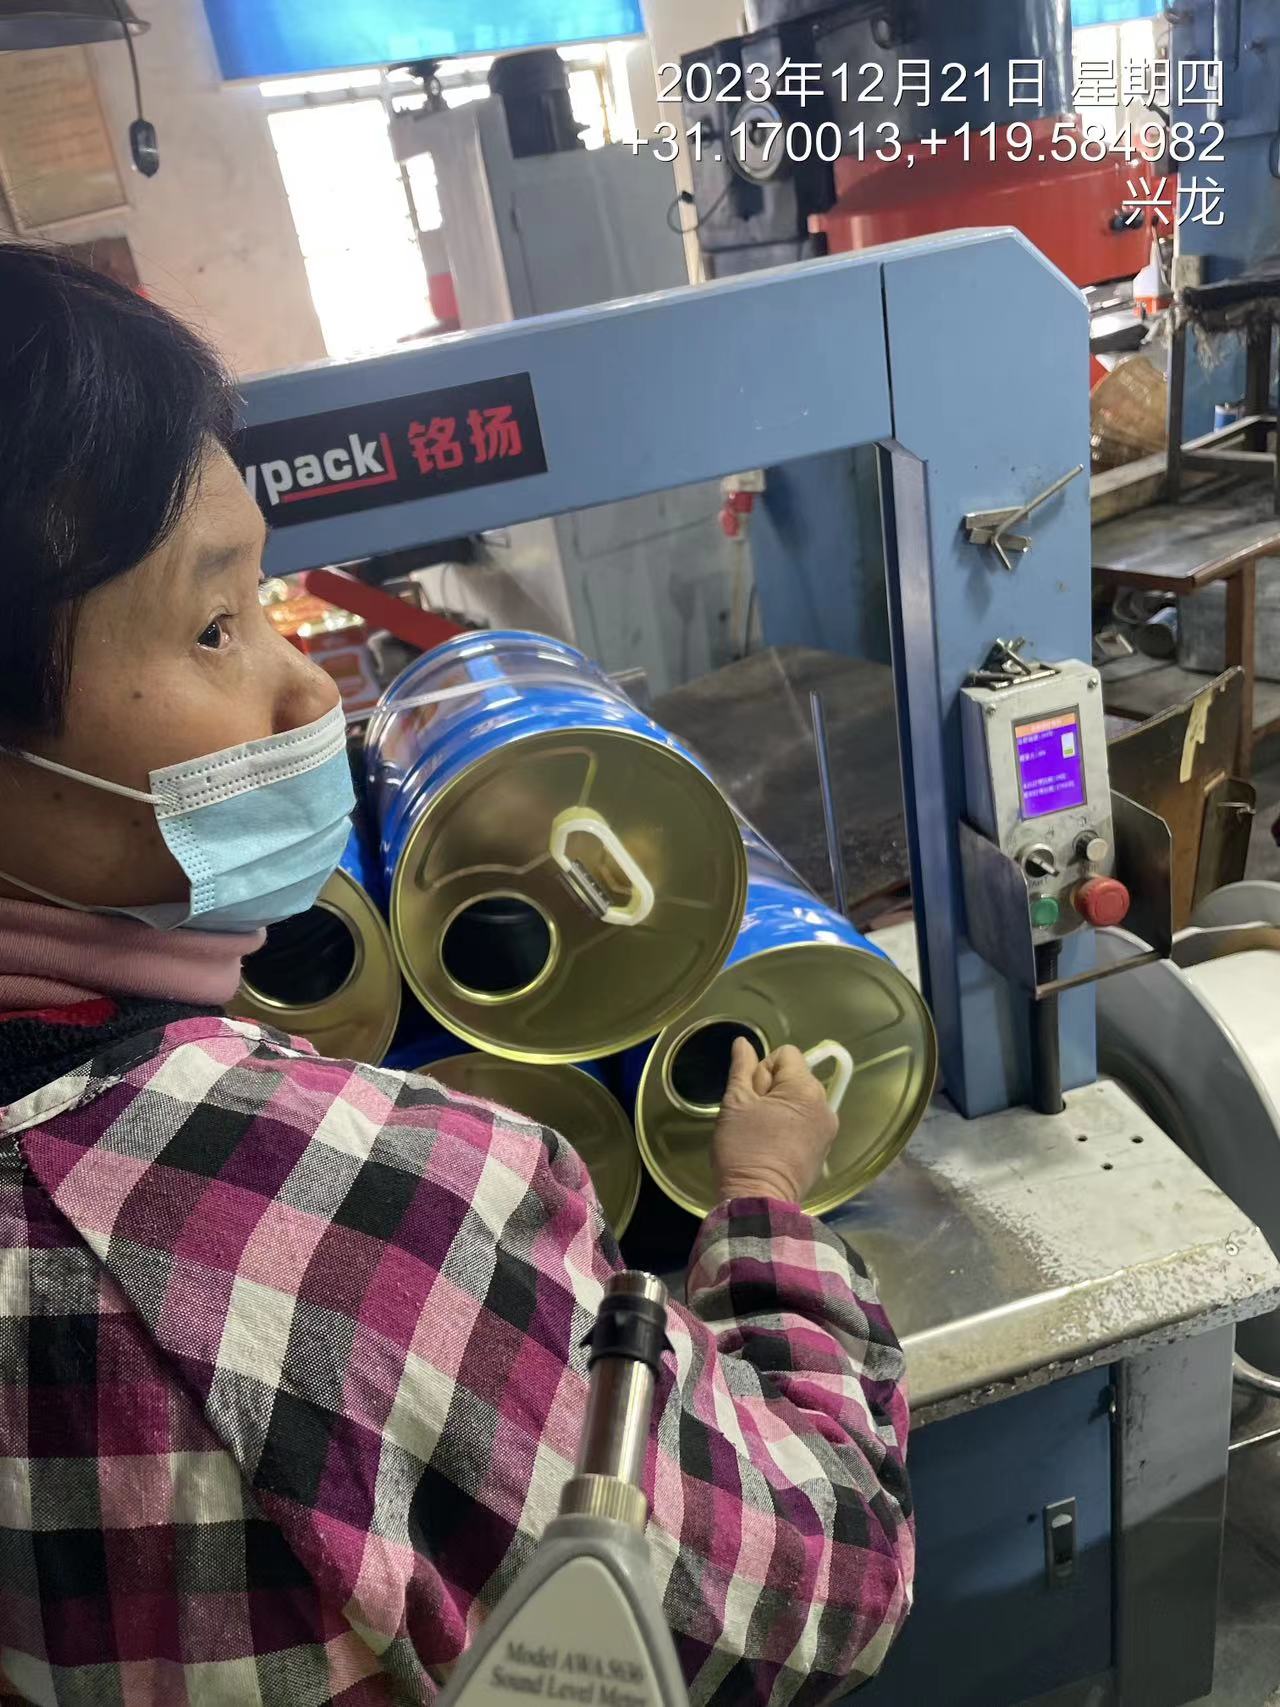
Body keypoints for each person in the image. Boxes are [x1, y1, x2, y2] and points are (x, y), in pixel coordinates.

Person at [0, 242, 913, 1706]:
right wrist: (764, 1203)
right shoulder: (362, 1225)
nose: (309, 690)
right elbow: (818, 1584)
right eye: (216, 625)